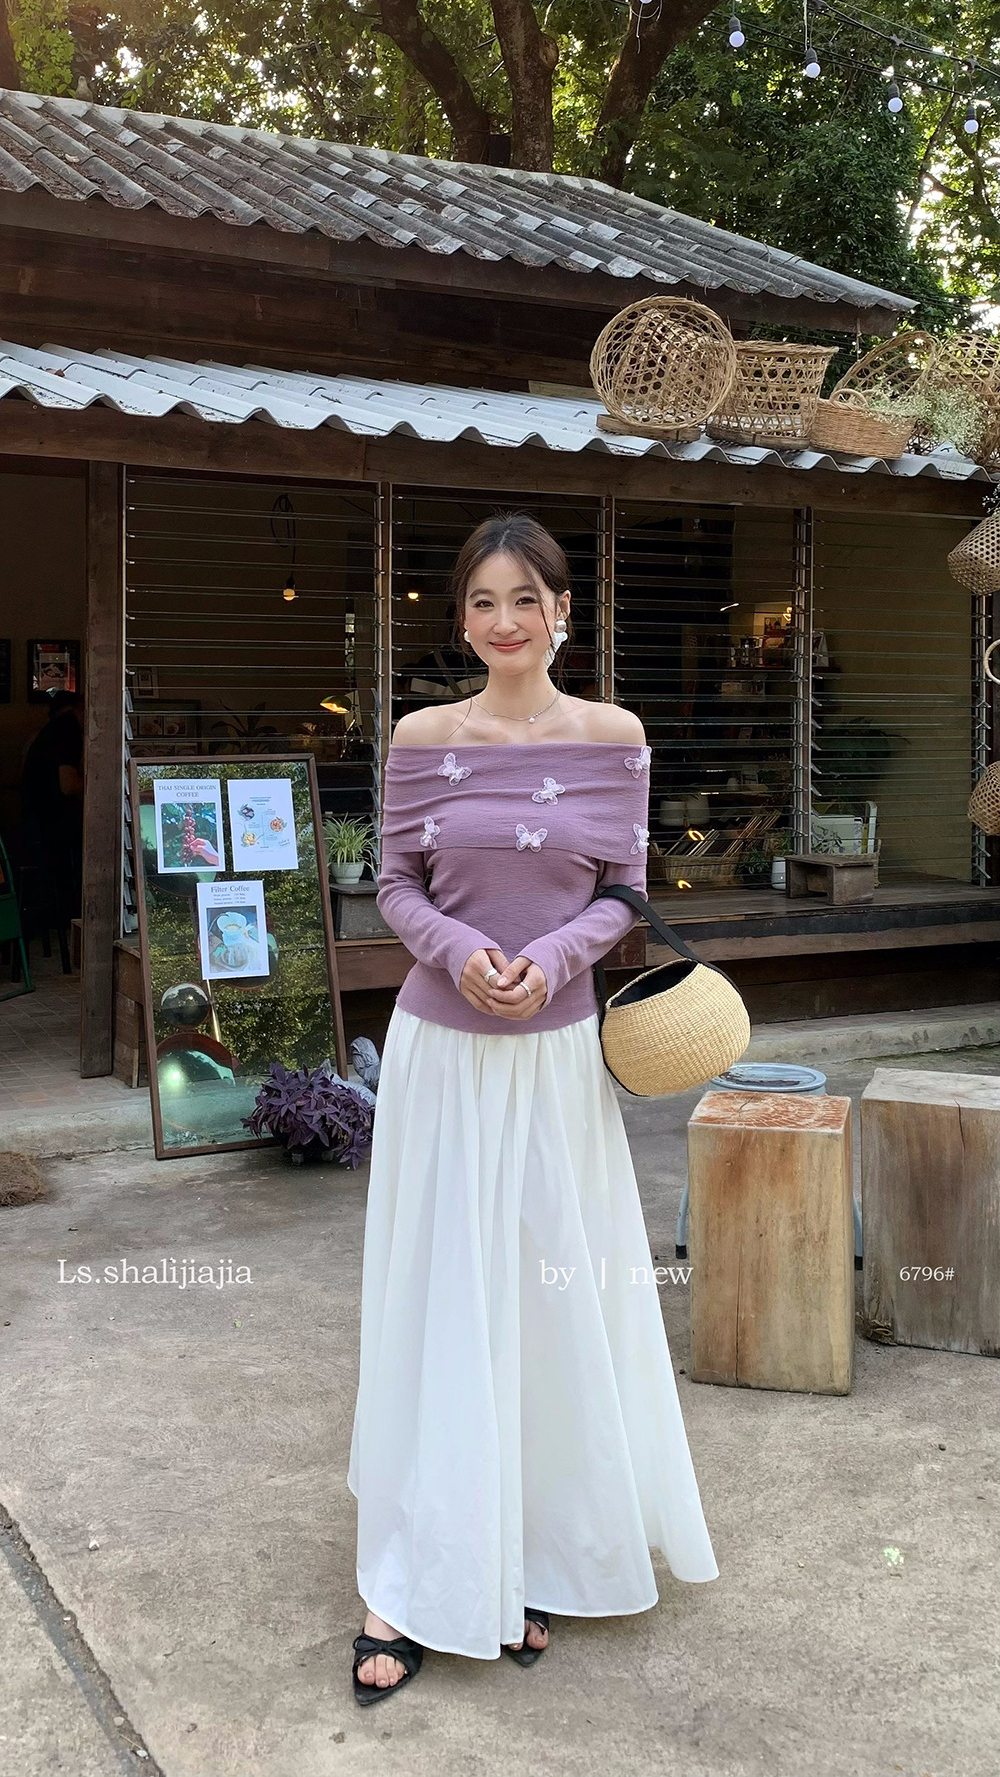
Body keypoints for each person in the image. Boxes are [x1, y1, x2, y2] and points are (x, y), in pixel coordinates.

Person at [347, 513, 718, 1705]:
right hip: (441, 1055)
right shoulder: (422, 736)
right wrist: (459, 952)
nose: (504, 621)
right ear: (460, 618)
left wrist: (552, 958)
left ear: (563, 609)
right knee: (439, 1294)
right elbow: (393, 882)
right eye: (482, 601)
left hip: (554, 1056)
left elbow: (623, 891)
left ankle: (534, 1549)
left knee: (553, 1299)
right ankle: (407, 1573)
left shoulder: (614, 737)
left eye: (525, 598)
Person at [20, 690, 85, 924]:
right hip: (51, 825)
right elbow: (69, 786)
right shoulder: (67, 729)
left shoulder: (46, 733)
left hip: (35, 822)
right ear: (79, 709)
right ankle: (75, 918)